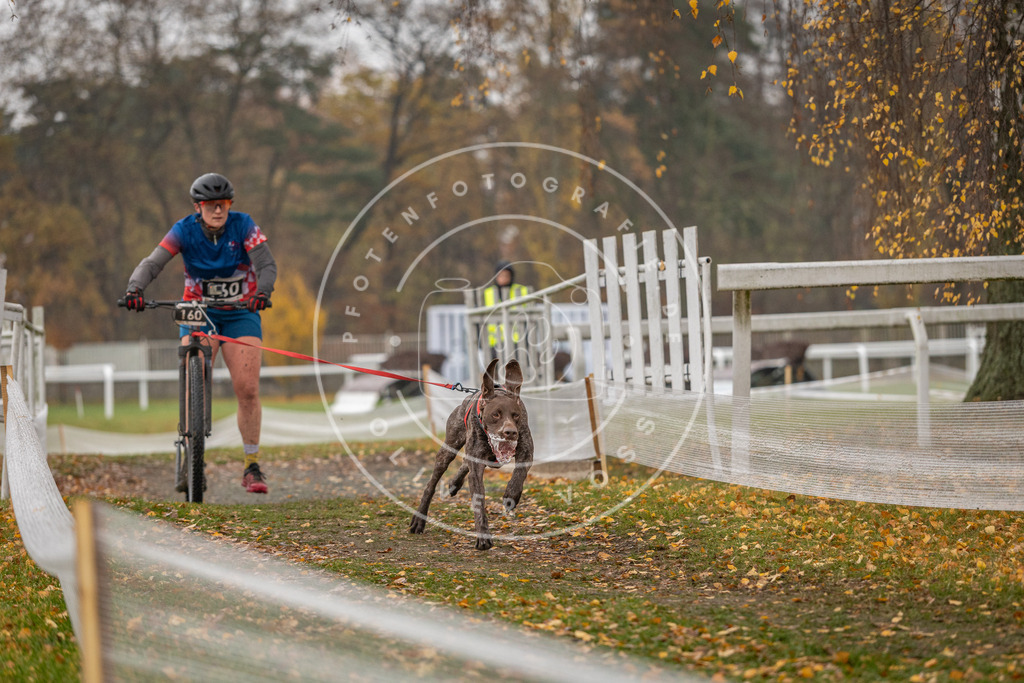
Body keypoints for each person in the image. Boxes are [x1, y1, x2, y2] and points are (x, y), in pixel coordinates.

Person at [123, 173, 276, 494]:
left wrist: (263, 290)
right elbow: (153, 262)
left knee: (247, 388)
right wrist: (135, 288)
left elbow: (266, 264)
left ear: (230, 205)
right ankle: (192, 460)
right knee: (196, 380)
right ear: (198, 207)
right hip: (198, 311)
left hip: (240, 313)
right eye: (211, 206)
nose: (218, 211)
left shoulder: (244, 225)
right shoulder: (183, 230)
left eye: (223, 205)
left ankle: (252, 465)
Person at [481, 260, 530, 354]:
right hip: (494, 344)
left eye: (506, 275)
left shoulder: (521, 290)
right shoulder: (488, 293)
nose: (503, 278)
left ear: (511, 276)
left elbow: (529, 317)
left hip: (517, 342)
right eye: (500, 275)